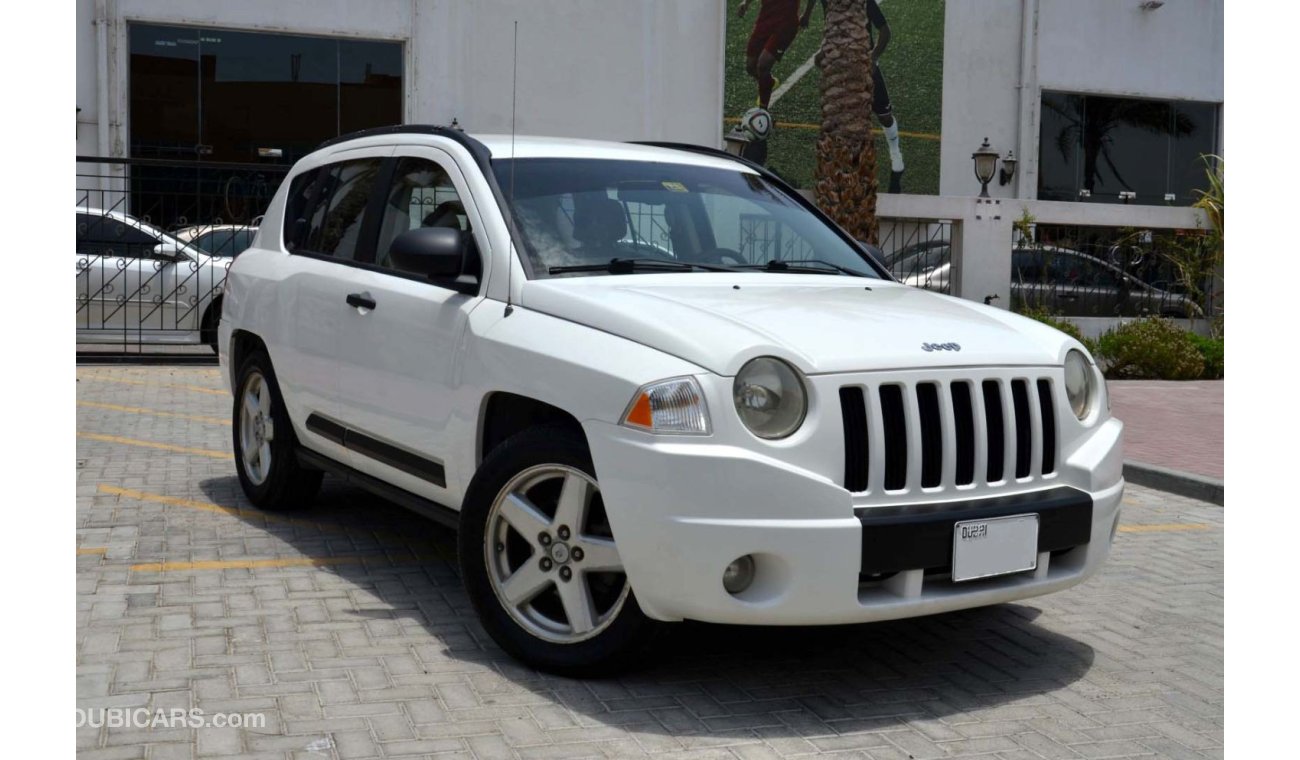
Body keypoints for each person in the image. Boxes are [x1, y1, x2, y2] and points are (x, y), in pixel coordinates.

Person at [802, 0, 905, 192]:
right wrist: (807, 15)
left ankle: (895, 151)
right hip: (841, 67)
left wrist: (873, 57)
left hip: (863, 63)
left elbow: (885, 30)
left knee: (884, 116)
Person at [739, 0, 812, 109]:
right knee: (750, 67)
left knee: (763, 65)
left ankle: (762, 111)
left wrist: (806, 15)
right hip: (765, 20)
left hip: (786, 23)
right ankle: (769, 83)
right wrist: (746, 3)